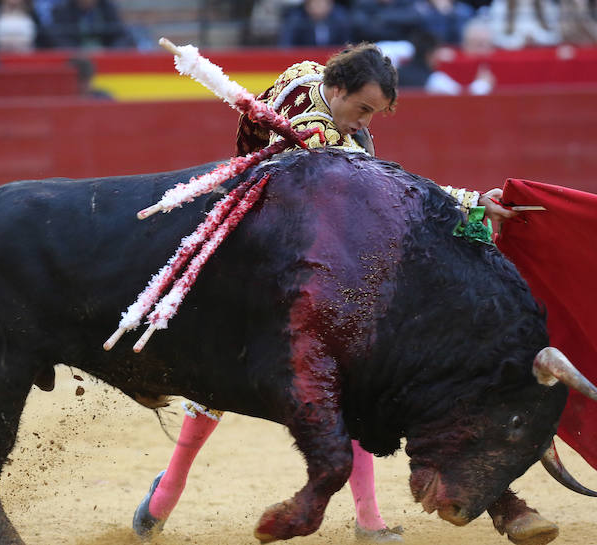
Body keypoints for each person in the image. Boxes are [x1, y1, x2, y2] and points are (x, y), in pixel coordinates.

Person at [133, 42, 559, 545]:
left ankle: (366, 518)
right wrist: (469, 203)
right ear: (338, 88)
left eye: (374, 114)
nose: (364, 122)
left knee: (345, 374)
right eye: (362, 109)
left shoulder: (307, 76)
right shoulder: (321, 136)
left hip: (290, 246)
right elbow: (383, 193)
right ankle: (171, 487)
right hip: (268, 257)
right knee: (251, 378)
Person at [277, 0, 353, 47]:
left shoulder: (341, 20)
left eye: (323, 3)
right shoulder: (295, 21)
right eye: (316, 3)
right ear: (307, 5)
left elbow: (347, 46)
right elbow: (286, 47)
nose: (319, 6)